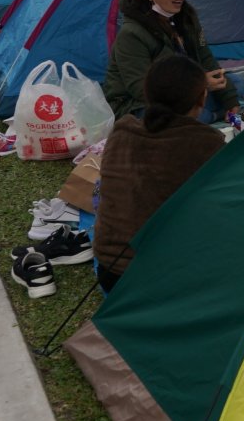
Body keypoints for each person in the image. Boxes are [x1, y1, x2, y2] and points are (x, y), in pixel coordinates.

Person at [92, 56, 224, 291]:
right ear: (202, 98)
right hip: (164, 279)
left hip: (109, 273)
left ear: (146, 93)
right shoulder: (207, 143)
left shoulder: (122, 130)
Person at [101, 0, 231, 120]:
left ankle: (206, 113)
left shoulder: (187, 20)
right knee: (171, 117)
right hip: (138, 104)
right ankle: (212, 115)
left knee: (235, 83)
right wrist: (198, 86)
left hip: (185, 92)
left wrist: (231, 101)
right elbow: (141, 89)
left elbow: (206, 59)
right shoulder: (131, 34)